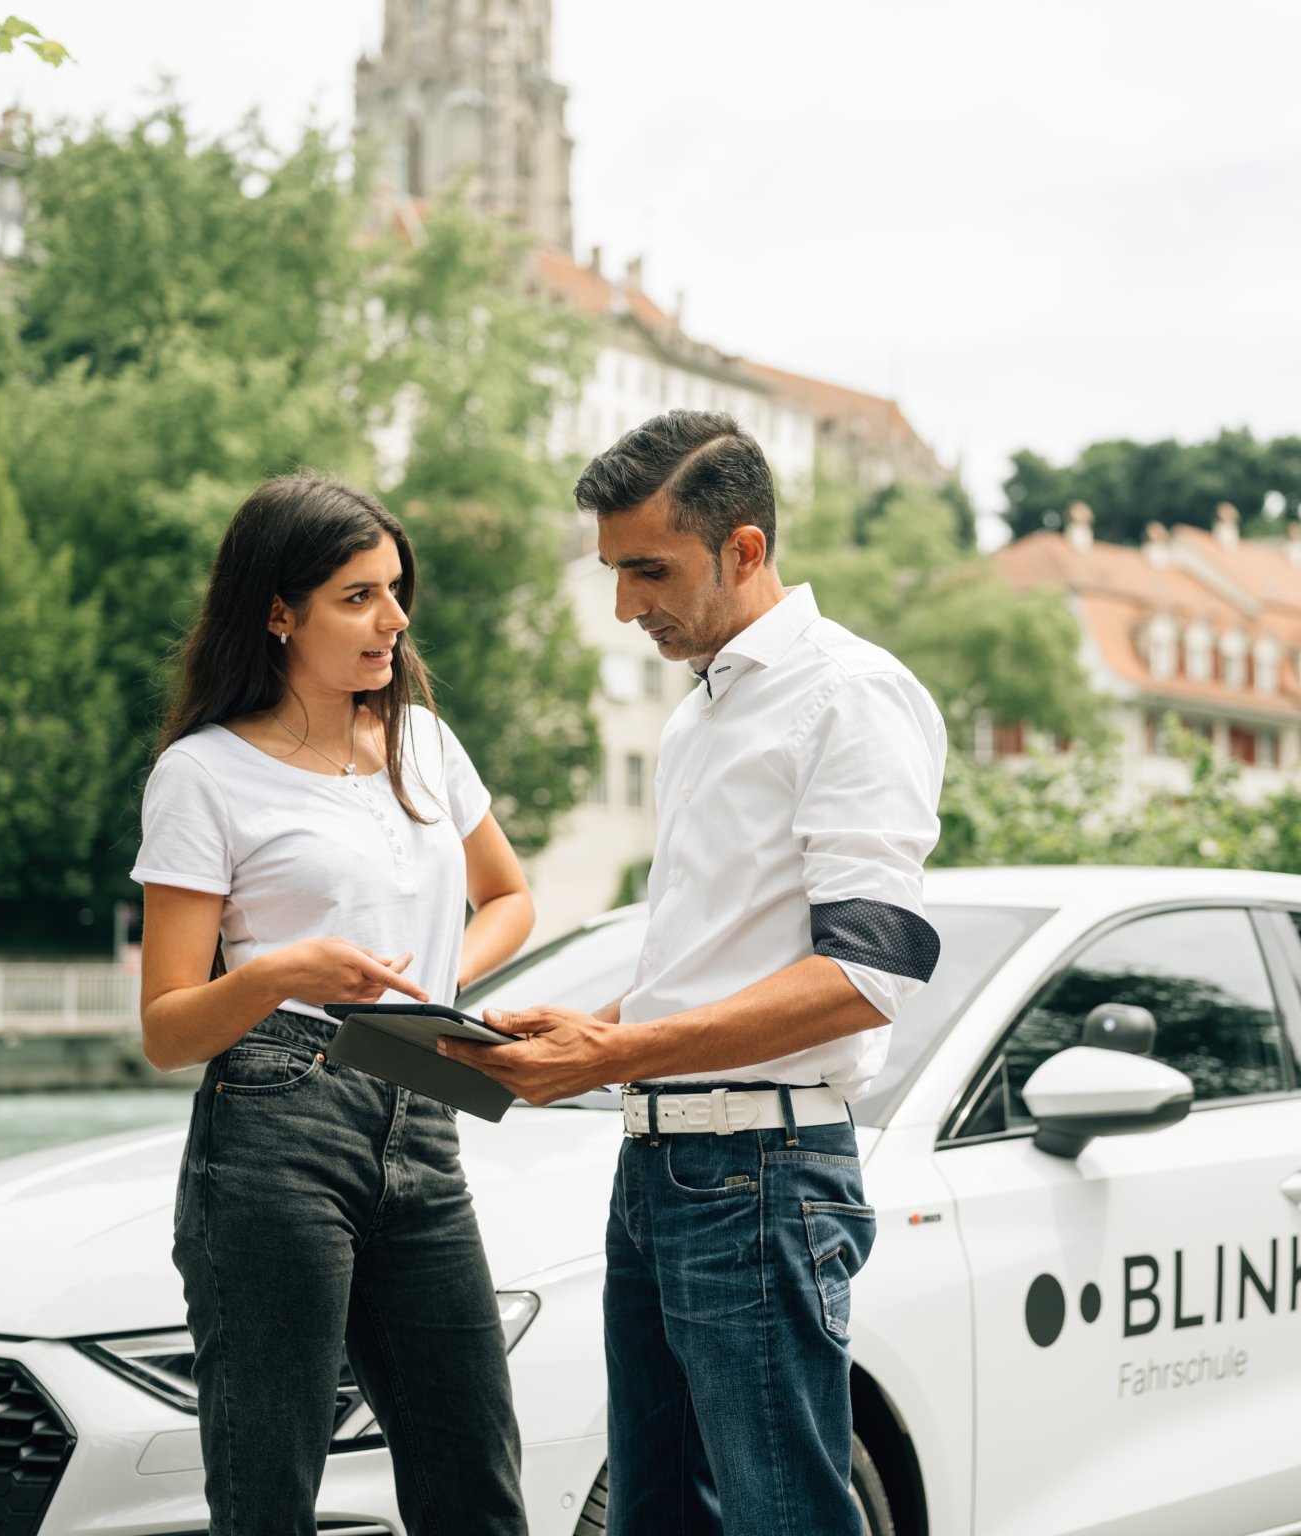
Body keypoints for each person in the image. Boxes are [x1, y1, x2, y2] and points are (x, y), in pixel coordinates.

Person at [445, 411, 947, 1535]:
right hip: (661, 1171)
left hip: (762, 1175)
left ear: (746, 549)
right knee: (656, 1520)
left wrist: (615, 1052)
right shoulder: (699, 715)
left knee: (782, 1518)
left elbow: (867, 972)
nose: (625, 605)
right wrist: (584, 1032)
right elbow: (715, 959)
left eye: (648, 570)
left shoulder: (847, 695)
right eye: (614, 571)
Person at [132, 473, 532, 1536]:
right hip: (276, 1116)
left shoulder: (425, 747)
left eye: (395, 591)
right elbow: (167, 1026)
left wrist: (436, 994)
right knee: (269, 1500)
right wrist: (280, 971)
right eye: (358, 596)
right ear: (277, 611)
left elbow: (511, 898)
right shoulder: (201, 774)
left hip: (421, 1092)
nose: (394, 621)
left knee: (475, 1482)